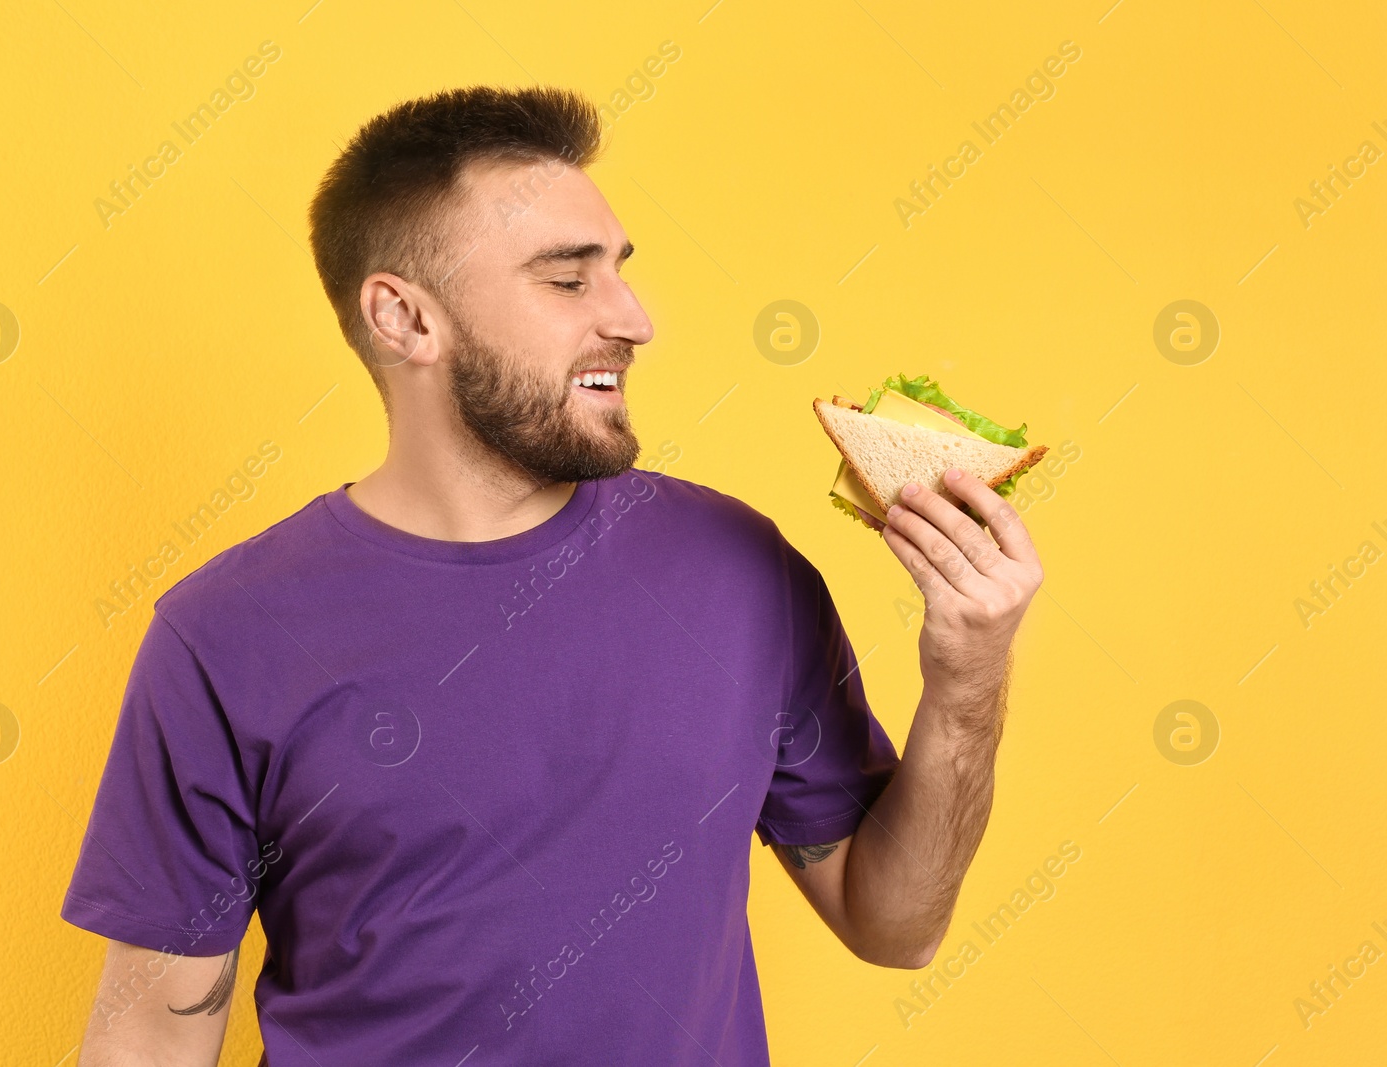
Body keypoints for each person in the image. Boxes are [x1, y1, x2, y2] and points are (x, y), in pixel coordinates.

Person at [61, 85, 1044, 1066]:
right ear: (404, 317)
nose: (633, 318)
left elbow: (894, 925)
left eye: (617, 272)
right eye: (566, 280)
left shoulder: (741, 573)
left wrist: (968, 677)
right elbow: (149, 1030)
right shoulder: (226, 634)